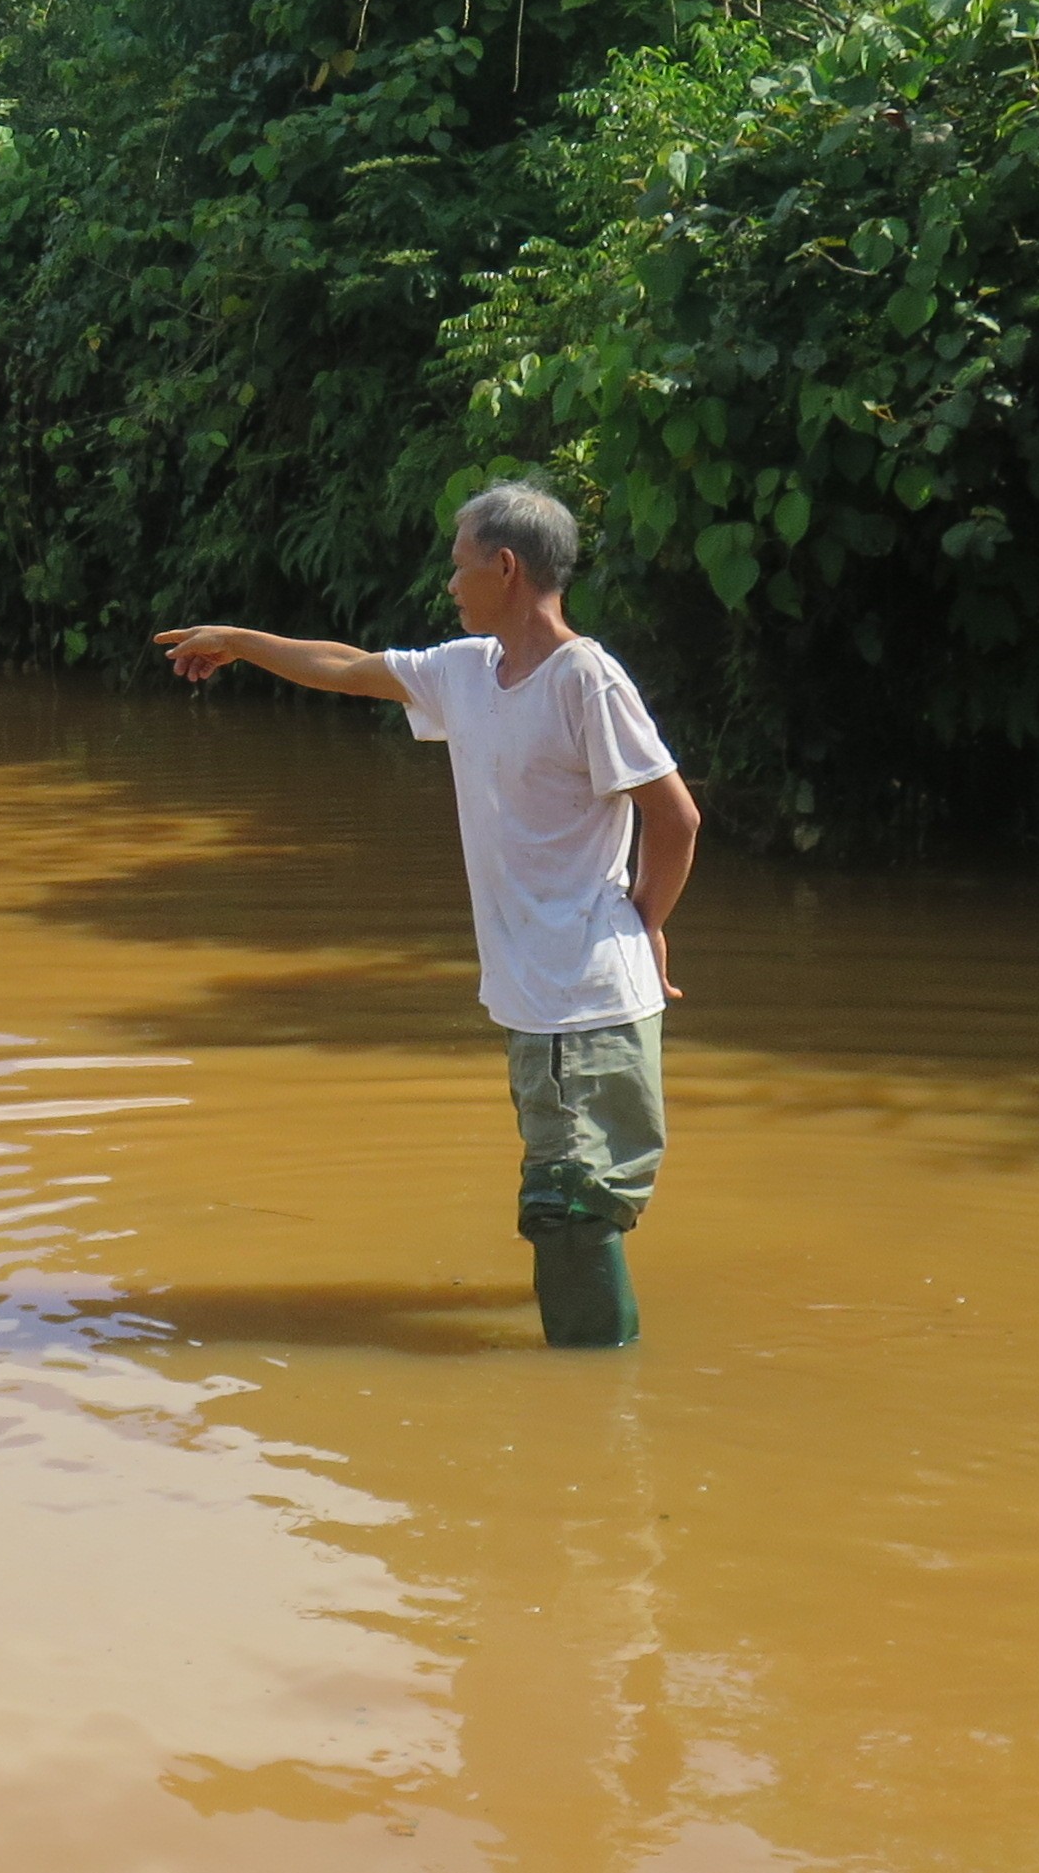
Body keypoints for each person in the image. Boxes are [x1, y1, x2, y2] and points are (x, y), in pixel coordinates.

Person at [152, 482, 700, 1349]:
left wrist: (646, 921)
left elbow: (674, 816)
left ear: (506, 568)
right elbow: (349, 666)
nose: (449, 583)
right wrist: (240, 643)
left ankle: (595, 1407)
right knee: (574, 1194)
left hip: (582, 997)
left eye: (460, 564)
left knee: (569, 1207)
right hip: (544, 1000)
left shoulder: (584, 680)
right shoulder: (468, 673)